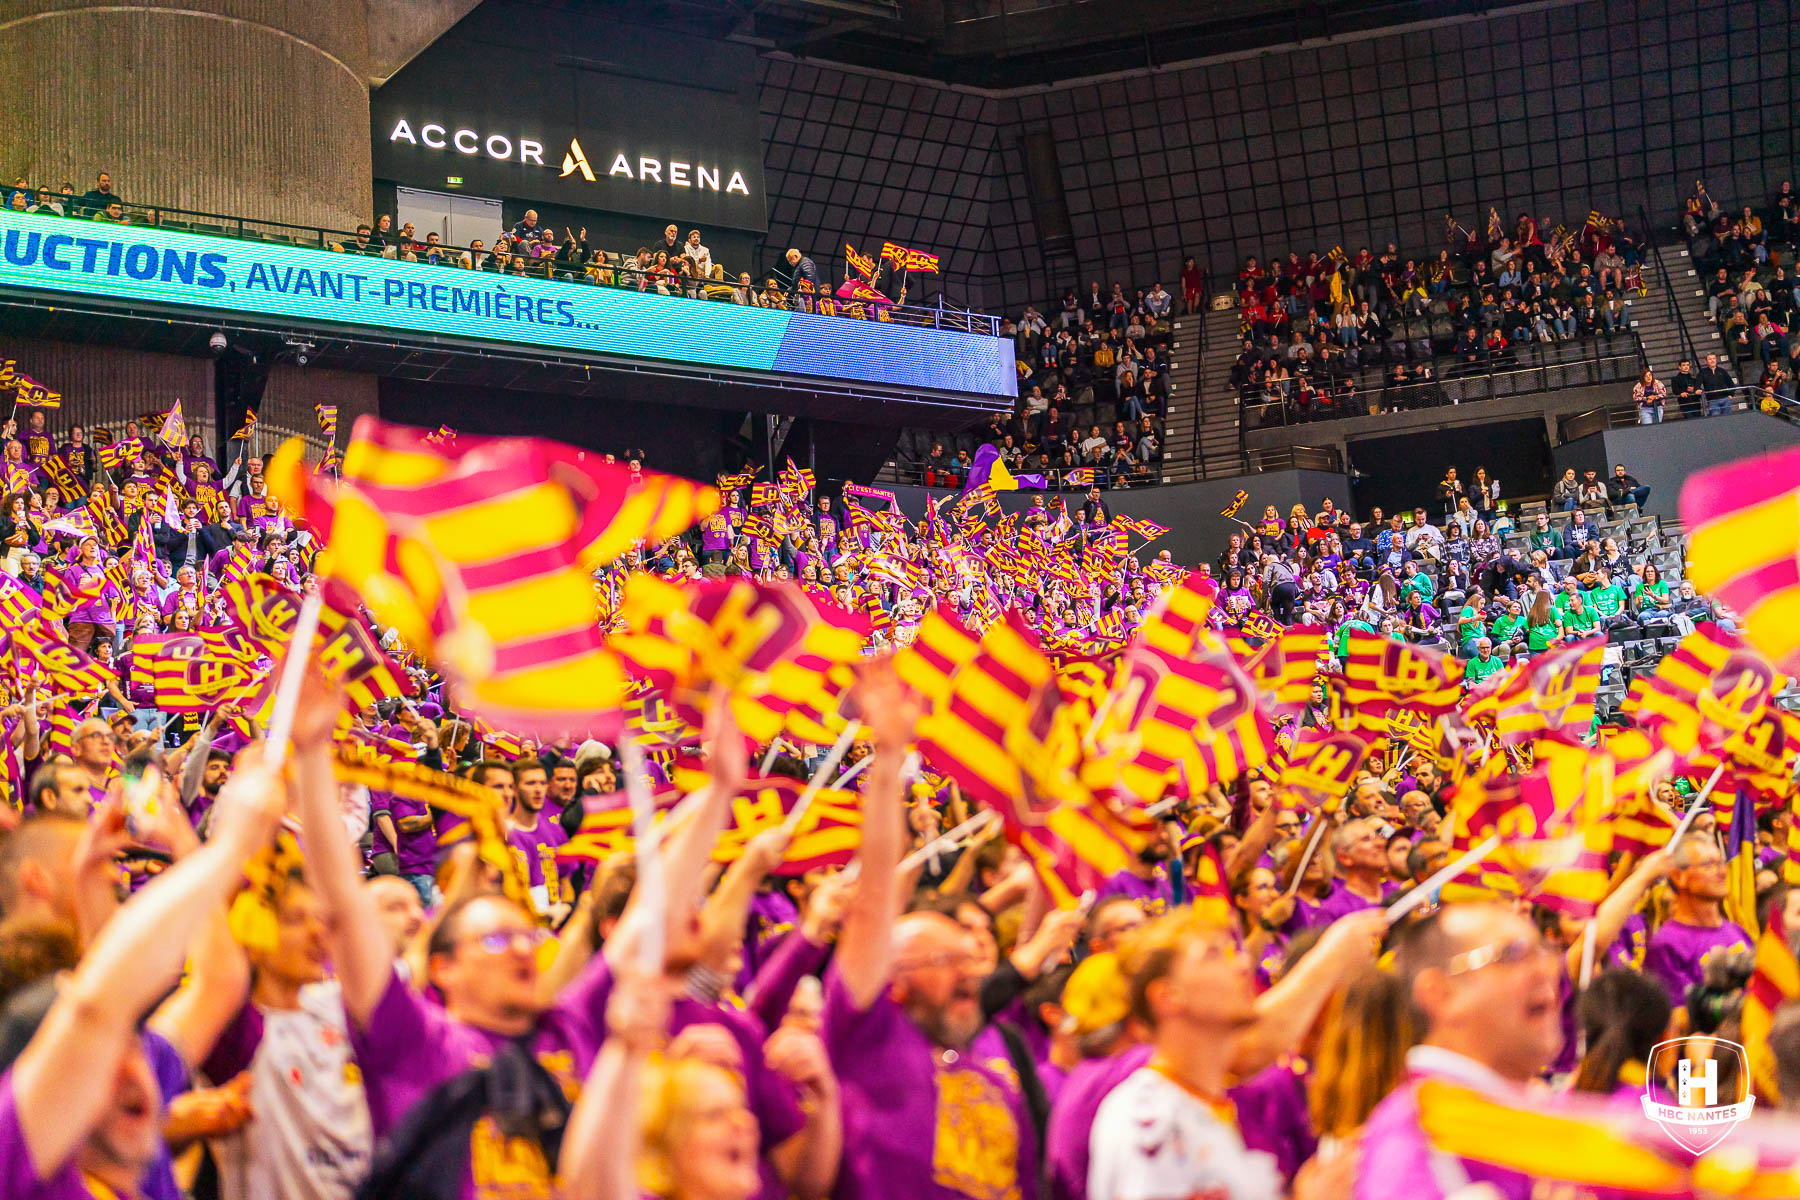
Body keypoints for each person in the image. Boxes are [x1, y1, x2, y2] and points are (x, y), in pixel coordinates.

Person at [0, 750, 284, 1200]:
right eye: (99, 1054)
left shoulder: (130, 1059)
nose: (134, 1068)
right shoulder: (25, 1170)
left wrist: (180, 846)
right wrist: (230, 848)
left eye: (131, 1043)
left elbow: (218, 983)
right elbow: (96, 1008)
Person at [1086, 908, 1383, 1200]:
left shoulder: (1207, 1105)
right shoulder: (1149, 1120)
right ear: (1167, 996)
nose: (1243, 964)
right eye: (1214, 954)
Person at [1356, 903, 1566, 1200]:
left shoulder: (1501, 1113)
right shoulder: (1421, 1133)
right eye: (1512, 955)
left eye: (1543, 952)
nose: (1545, 970)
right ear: (1441, 994)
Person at [1642, 833, 1756, 1012]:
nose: (1722, 872)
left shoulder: (1737, 932)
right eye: (1709, 865)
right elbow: (1678, 1020)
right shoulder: (1666, 945)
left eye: (1721, 863)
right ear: (1678, 876)